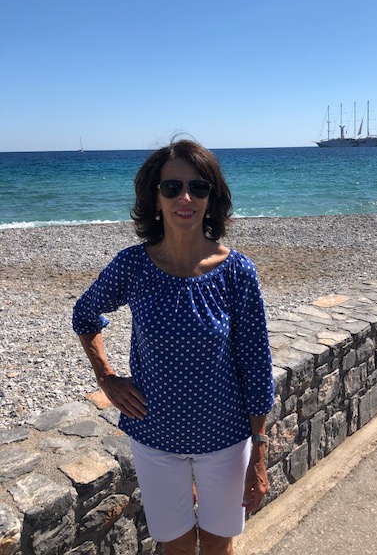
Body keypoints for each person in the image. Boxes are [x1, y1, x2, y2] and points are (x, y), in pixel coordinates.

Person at [72, 139, 275, 555]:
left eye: (198, 187)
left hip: (225, 436)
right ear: (156, 198)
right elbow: (85, 314)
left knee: (218, 544)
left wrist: (259, 451)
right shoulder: (133, 266)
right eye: (172, 187)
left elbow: (256, 366)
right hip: (155, 438)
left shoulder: (236, 272)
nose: (185, 197)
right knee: (176, 546)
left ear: (211, 198)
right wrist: (107, 378)